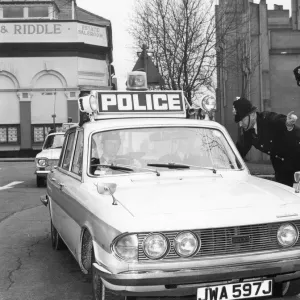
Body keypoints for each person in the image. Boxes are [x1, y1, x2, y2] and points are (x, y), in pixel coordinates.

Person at [233, 97, 300, 187]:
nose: (240, 124)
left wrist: (288, 125)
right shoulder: (248, 132)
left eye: (242, 120)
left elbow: (280, 121)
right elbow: (238, 152)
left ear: (252, 115)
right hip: (281, 169)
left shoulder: (268, 119)